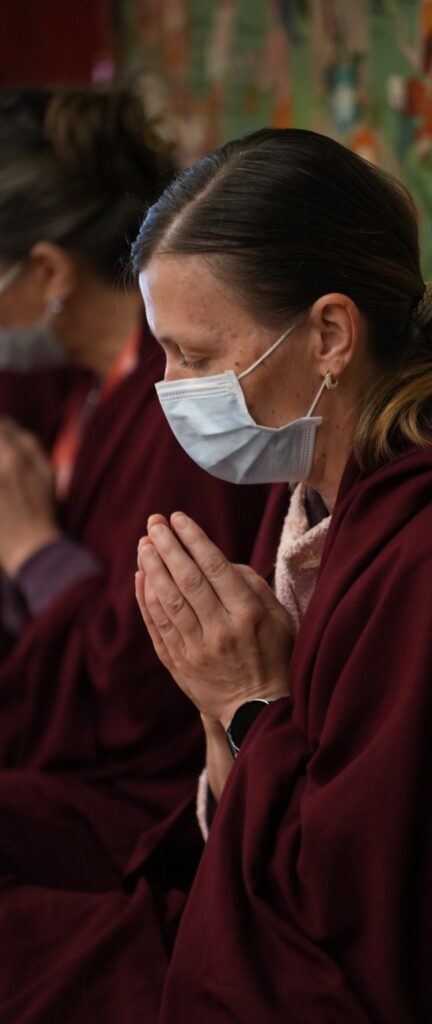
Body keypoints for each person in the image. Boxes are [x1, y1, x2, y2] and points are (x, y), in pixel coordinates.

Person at [0, 126, 432, 1023]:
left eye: (196, 356)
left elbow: (390, 924)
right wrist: (220, 709)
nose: (171, 388)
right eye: (162, 353)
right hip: (264, 910)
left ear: (329, 334)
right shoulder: (312, 496)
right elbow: (263, 809)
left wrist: (245, 703)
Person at [0, 86, 269, 871]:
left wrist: (31, 551)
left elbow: (141, 687)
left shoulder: (188, 417)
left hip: (150, 798)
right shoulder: (77, 382)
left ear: (48, 271)